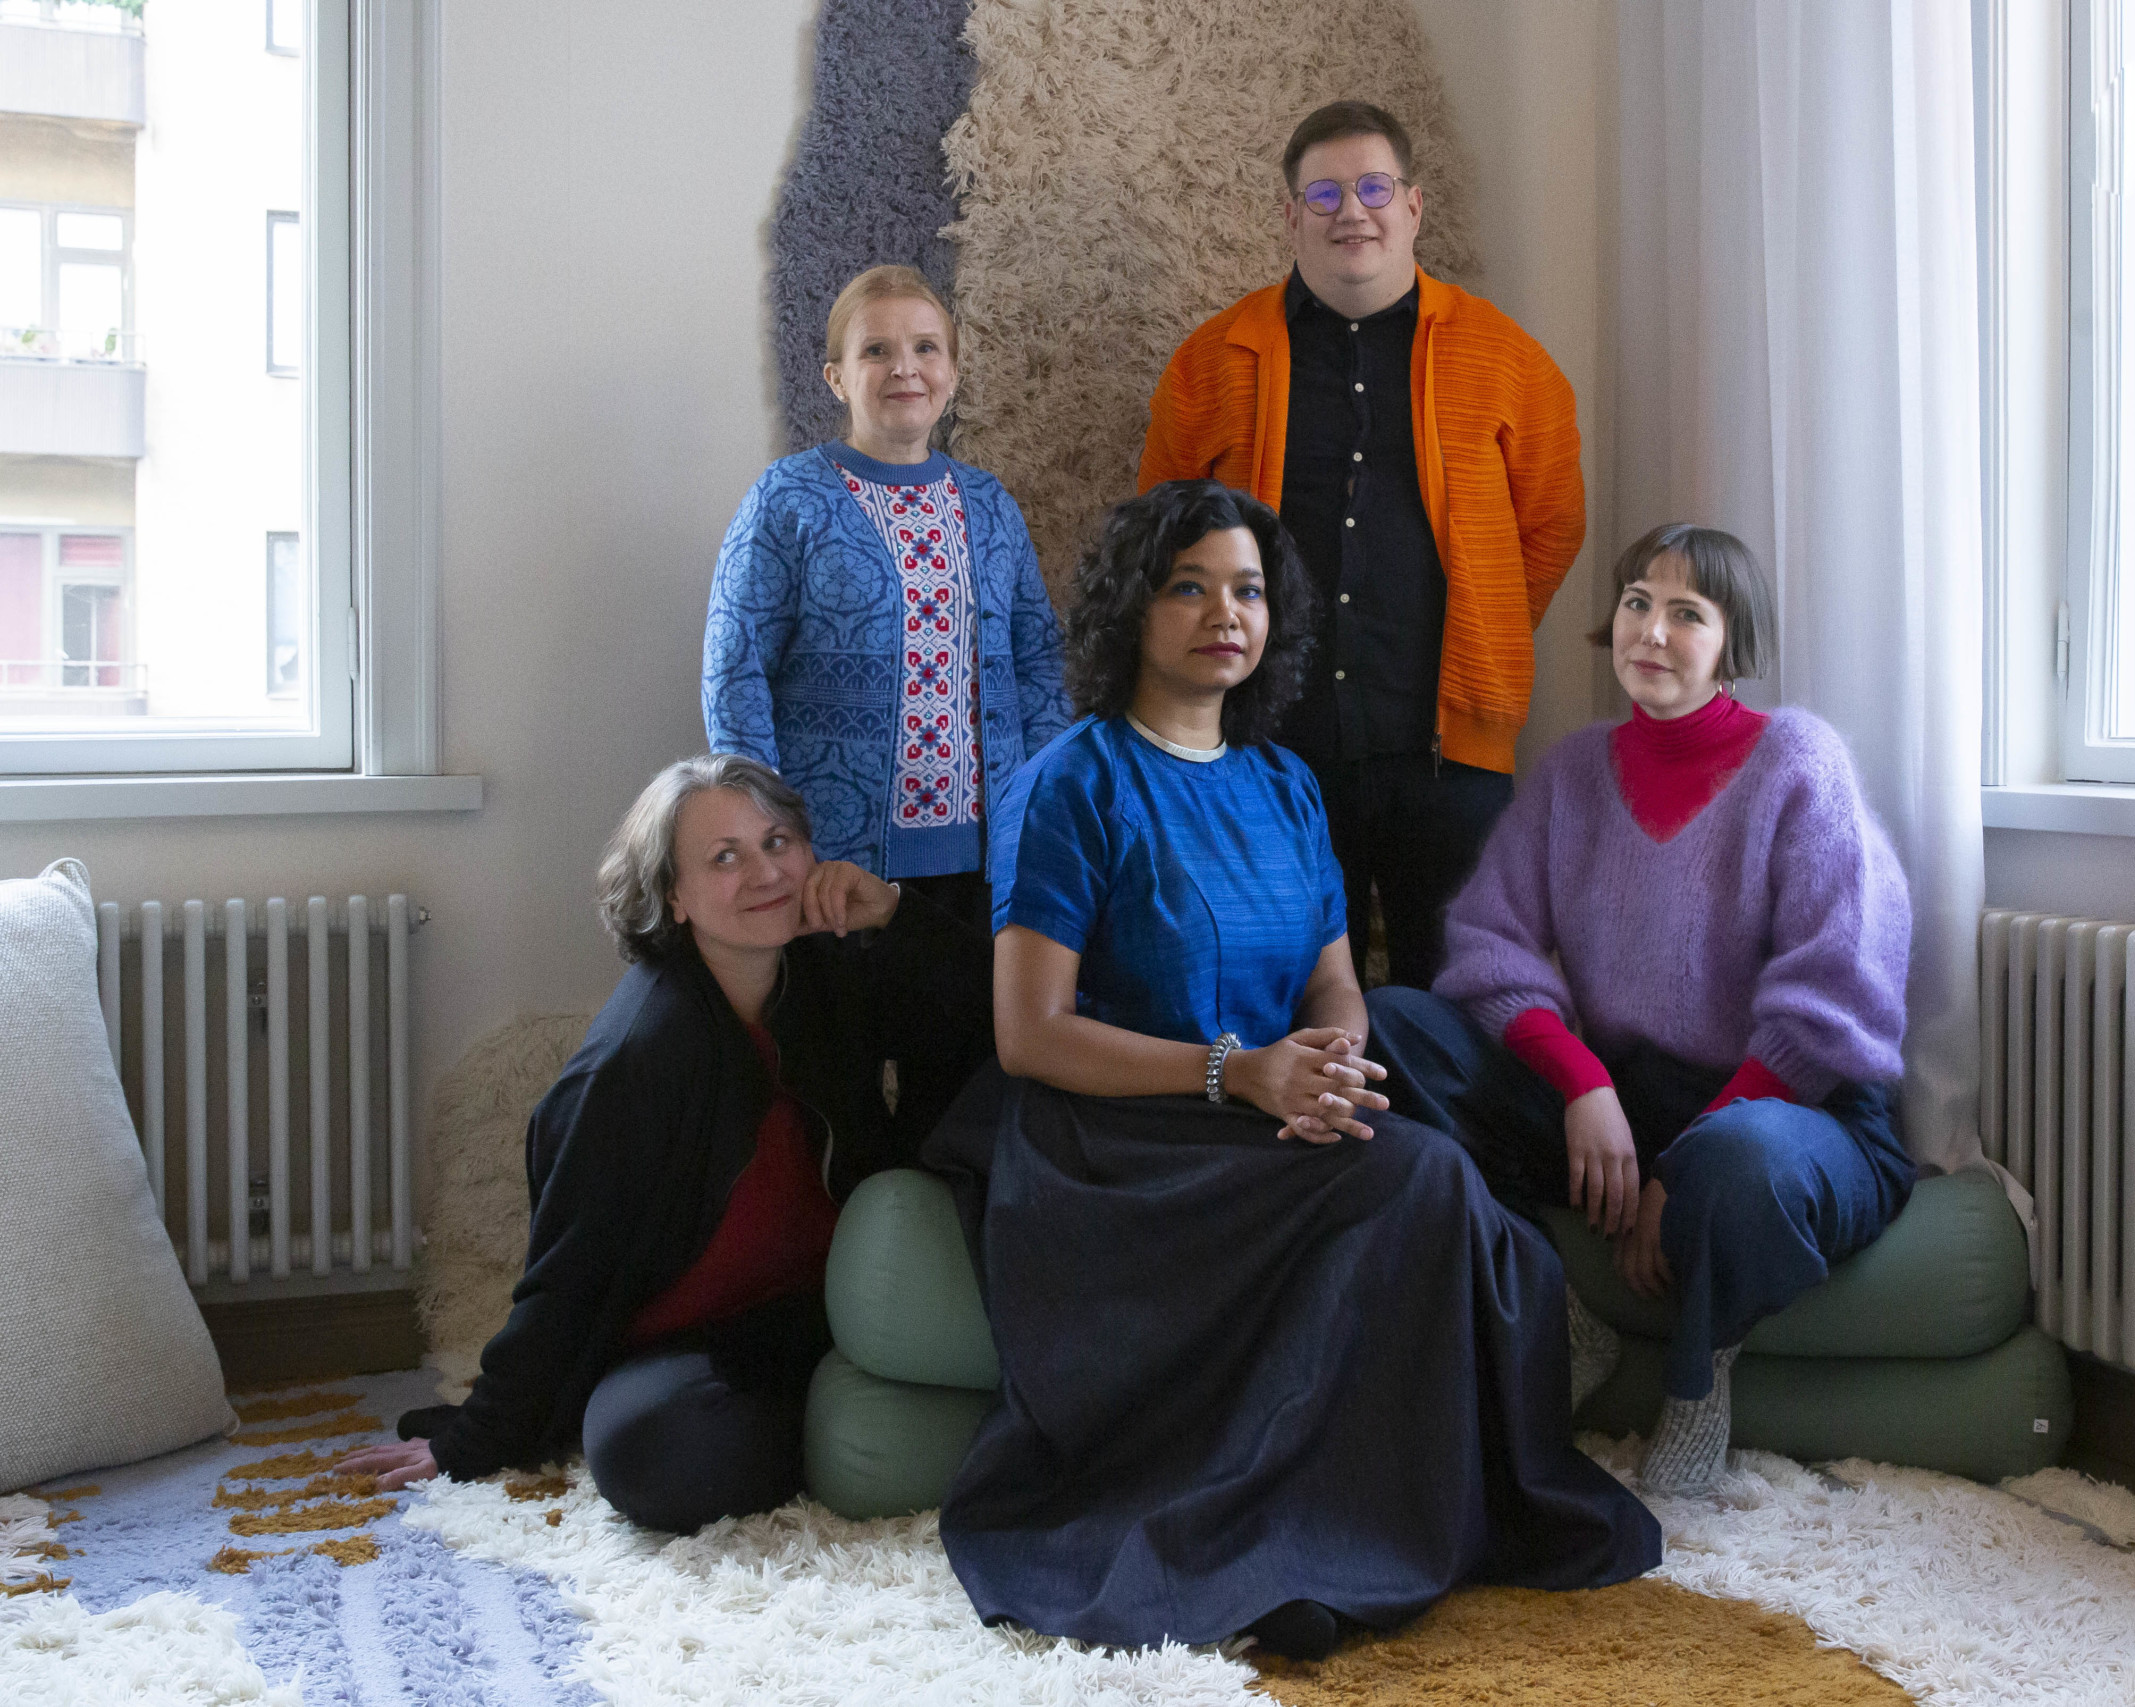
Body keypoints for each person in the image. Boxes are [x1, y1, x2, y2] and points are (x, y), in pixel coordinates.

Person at [920, 480, 1659, 1660]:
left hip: (1262, 1104)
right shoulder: (1068, 783)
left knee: (1416, 1108)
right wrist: (1242, 1075)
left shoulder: (1283, 783)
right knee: (1417, 1179)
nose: (1226, 612)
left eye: (1250, 591)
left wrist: (1334, 1060)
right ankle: (1352, 1503)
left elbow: (1334, 981)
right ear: (1132, 609)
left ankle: (1422, 1458)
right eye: (1189, 586)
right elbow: (1032, 1037)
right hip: (1120, 1145)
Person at [1391, 524, 1916, 1496]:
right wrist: (1583, 1081)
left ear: (1731, 641)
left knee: (1737, 1156)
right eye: (1637, 602)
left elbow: (1835, 985)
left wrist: (1684, 1161)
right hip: (1630, 1100)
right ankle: (1562, 1316)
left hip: (1796, 1116)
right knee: (1392, 1029)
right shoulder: (1574, 772)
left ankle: (1700, 1370)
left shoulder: (1798, 762)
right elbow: (1487, 944)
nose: (1653, 631)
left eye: (1687, 613)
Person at [341, 755, 908, 1531]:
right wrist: (478, 1438)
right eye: (725, 856)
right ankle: (833, 1434)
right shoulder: (639, 1055)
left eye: (778, 841)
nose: (766, 871)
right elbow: (567, 1274)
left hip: (829, 1321)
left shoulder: (830, 975)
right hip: (694, 1351)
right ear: (673, 896)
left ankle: (841, 1427)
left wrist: (896, 916)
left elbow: (975, 1017)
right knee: (649, 1452)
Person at [1138, 100, 1584, 989]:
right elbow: (1160, 541)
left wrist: (1482, 629)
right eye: (1327, 191)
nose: (1353, 210)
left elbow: (1550, 528)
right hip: (1265, 748)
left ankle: (1449, 1140)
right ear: (1290, 213)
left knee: (1462, 998)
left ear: (1413, 206)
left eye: (1375, 186)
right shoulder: (1210, 362)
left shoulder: (1508, 362)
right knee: (1279, 991)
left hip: (1448, 758)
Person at [705, 264, 1072, 1155]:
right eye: (877, 350)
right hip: (832, 871)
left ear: (952, 367)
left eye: (925, 347)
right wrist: (776, 844)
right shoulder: (788, 500)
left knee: (959, 1106)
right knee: (837, 1109)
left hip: (977, 877)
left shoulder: (989, 507)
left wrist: (1043, 821)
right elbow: (736, 671)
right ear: (837, 376)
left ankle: (936, 1280)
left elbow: (1037, 662)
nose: (904, 367)